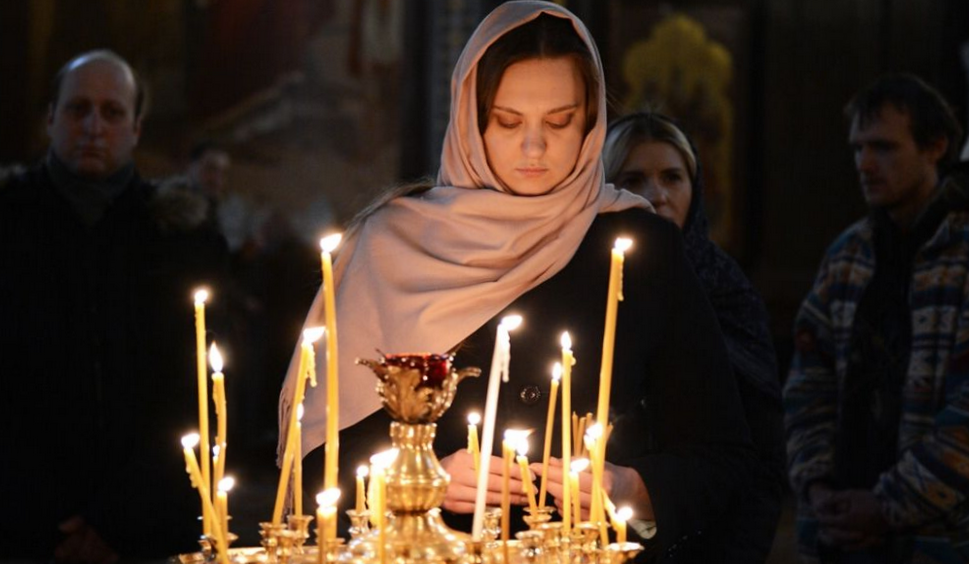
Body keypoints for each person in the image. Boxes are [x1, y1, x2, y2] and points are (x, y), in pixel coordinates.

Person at [281, 2, 755, 561]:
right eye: (508, 122)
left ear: (590, 121)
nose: (534, 149)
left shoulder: (639, 247)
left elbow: (720, 457)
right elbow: (310, 461)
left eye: (559, 122)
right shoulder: (388, 244)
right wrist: (416, 477)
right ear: (471, 117)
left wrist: (630, 488)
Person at [0, 50, 227, 562]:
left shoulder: (180, 238)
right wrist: (44, 516)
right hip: (22, 523)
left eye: (112, 112)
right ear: (51, 118)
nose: (94, 127)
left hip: (146, 524)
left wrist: (118, 521)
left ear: (136, 128)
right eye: (78, 109)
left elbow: (194, 389)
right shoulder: (10, 223)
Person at [784, 74, 969, 563]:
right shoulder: (850, 255)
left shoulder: (962, 255)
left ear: (935, 146)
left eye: (883, 148)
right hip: (838, 532)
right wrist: (820, 487)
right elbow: (807, 384)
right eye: (857, 149)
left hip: (937, 540)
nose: (864, 164)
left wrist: (885, 506)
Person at [602, 111, 785, 563]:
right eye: (634, 177)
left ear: (696, 187)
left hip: (713, 535)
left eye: (672, 177)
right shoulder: (586, 281)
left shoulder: (726, 288)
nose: (657, 195)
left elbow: (760, 442)